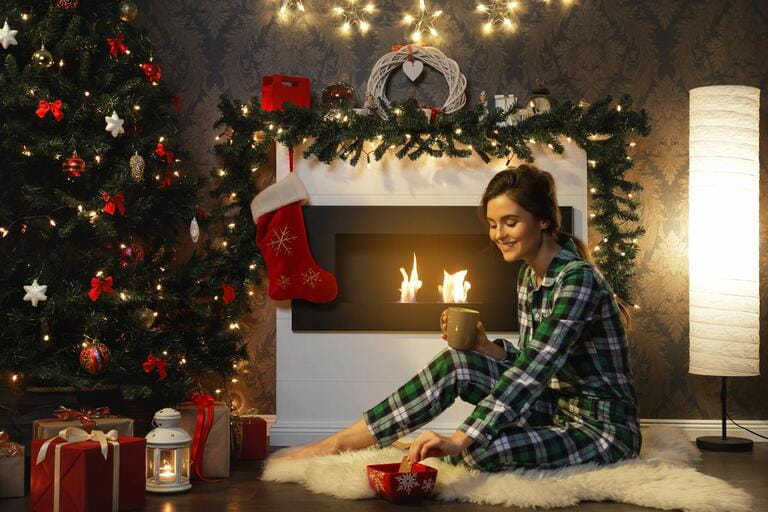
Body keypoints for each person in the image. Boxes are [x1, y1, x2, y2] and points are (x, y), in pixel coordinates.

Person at [272, 164, 641, 471]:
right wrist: (487, 349)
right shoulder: (530, 275)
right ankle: (340, 443)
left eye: (510, 222)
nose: (498, 234)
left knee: (478, 450)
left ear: (543, 220)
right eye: (492, 224)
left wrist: (461, 437)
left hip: (600, 429)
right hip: (551, 407)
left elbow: (534, 372)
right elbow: (531, 361)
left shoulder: (577, 279)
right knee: (457, 361)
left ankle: (450, 446)